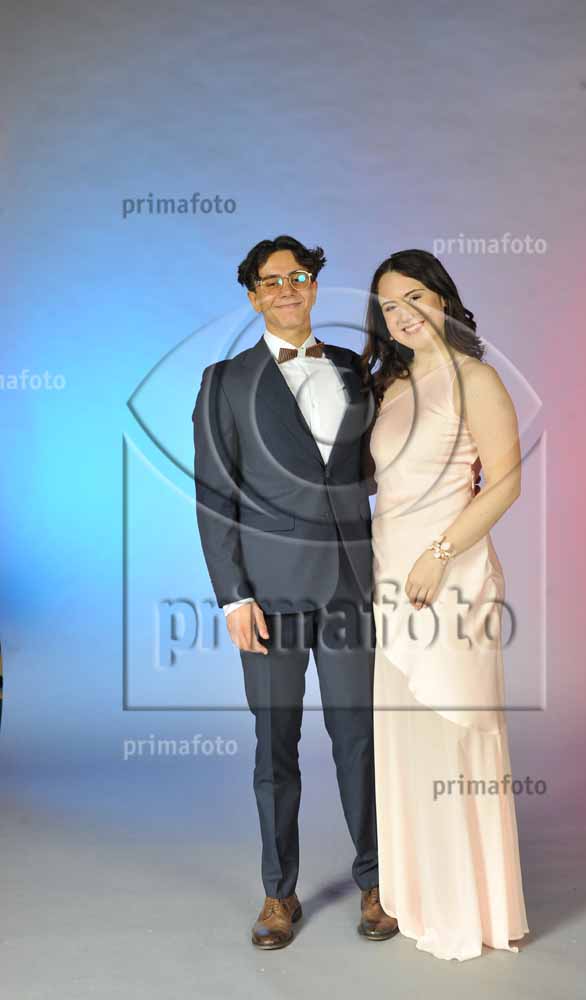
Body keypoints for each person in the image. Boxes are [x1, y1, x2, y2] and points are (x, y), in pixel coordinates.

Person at [192, 235, 398, 950]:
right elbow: (215, 495)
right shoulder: (225, 381)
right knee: (274, 744)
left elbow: (381, 461)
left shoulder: (352, 368)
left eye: (299, 276)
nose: (287, 288)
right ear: (253, 296)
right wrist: (232, 597)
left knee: (359, 739)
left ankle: (376, 882)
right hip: (268, 596)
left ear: (313, 286)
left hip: (349, 586)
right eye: (272, 280)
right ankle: (278, 893)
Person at [359, 248, 530, 961]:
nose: (402, 315)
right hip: (390, 576)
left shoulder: (475, 378)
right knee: (409, 737)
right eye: (388, 306)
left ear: (443, 300)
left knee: (455, 729)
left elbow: (505, 483)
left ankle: (471, 905)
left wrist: (437, 553)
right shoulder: (392, 386)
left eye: (414, 298)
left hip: (449, 576)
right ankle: (424, 894)